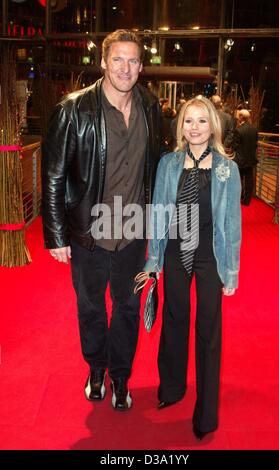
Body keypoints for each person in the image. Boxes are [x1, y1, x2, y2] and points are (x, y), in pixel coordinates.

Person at [41, 29, 161, 411]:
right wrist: (56, 235)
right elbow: (54, 175)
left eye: (132, 61)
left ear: (141, 66)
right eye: (118, 59)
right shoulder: (73, 110)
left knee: (126, 308)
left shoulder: (151, 107)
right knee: (90, 305)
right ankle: (96, 368)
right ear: (104, 62)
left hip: (133, 232)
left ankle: (121, 375)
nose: (125, 68)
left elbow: (156, 169)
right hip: (89, 233)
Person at [140, 96, 241, 439]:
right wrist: (153, 261)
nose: (194, 127)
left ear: (213, 125)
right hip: (175, 250)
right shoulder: (168, 164)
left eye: (201, 121)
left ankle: (206, 415)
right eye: (188, 121)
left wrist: (231, 271)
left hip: (210, 254)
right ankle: (171, 388)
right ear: (179, 125)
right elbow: (158, 214)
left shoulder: (228, 169)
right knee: (175, 317)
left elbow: (231, 224)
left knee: (209, 329)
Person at [232, 109, 258, 205]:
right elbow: (255, 145)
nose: (237, 118)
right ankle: (247, 200)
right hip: (250, 159)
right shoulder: (254, 129)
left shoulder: (238, 130)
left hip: (240, 159)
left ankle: (239, 197)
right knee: (249, 180)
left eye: (238, 116)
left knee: (238, 179)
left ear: (241, 117)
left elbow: (235, 146)